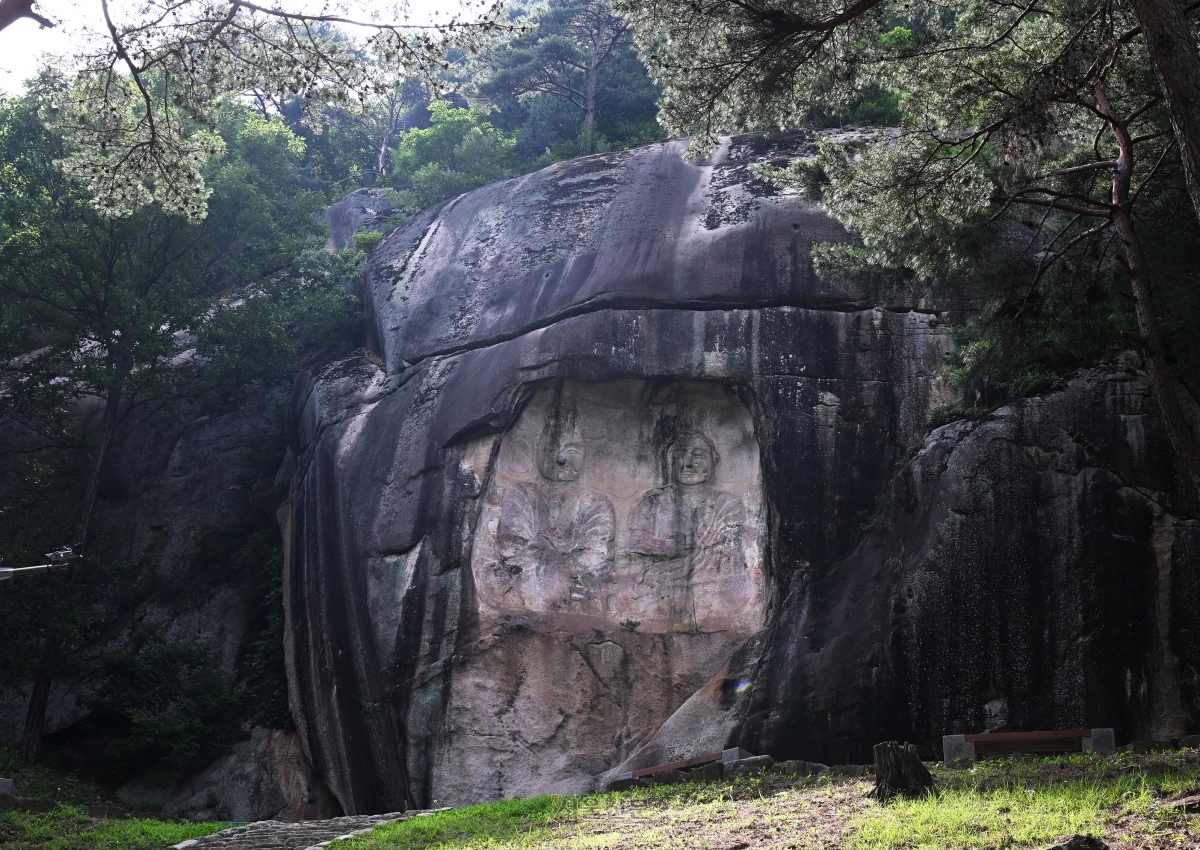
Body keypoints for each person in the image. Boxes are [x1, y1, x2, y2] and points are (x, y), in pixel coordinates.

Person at [492, 419, 615, 614]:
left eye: (573, 451)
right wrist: (552, 569)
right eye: (550, 448)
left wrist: (558, 567)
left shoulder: (596, 503)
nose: (561, 458)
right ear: (536, 450)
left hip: (577, 581)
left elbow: (596, 554)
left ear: (587, 455)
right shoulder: (520, 493)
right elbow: (511, 546)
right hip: (528, 580)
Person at [627, 433, 747, 628]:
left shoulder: (727, 503)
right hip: (659, 581)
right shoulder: (652, 502)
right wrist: (666, 546)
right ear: (670, 462)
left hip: (709, 584)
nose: (688, 463)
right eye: (681, 454)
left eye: (698, 455)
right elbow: (636, 544)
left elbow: (727, 552)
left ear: (711, 464)